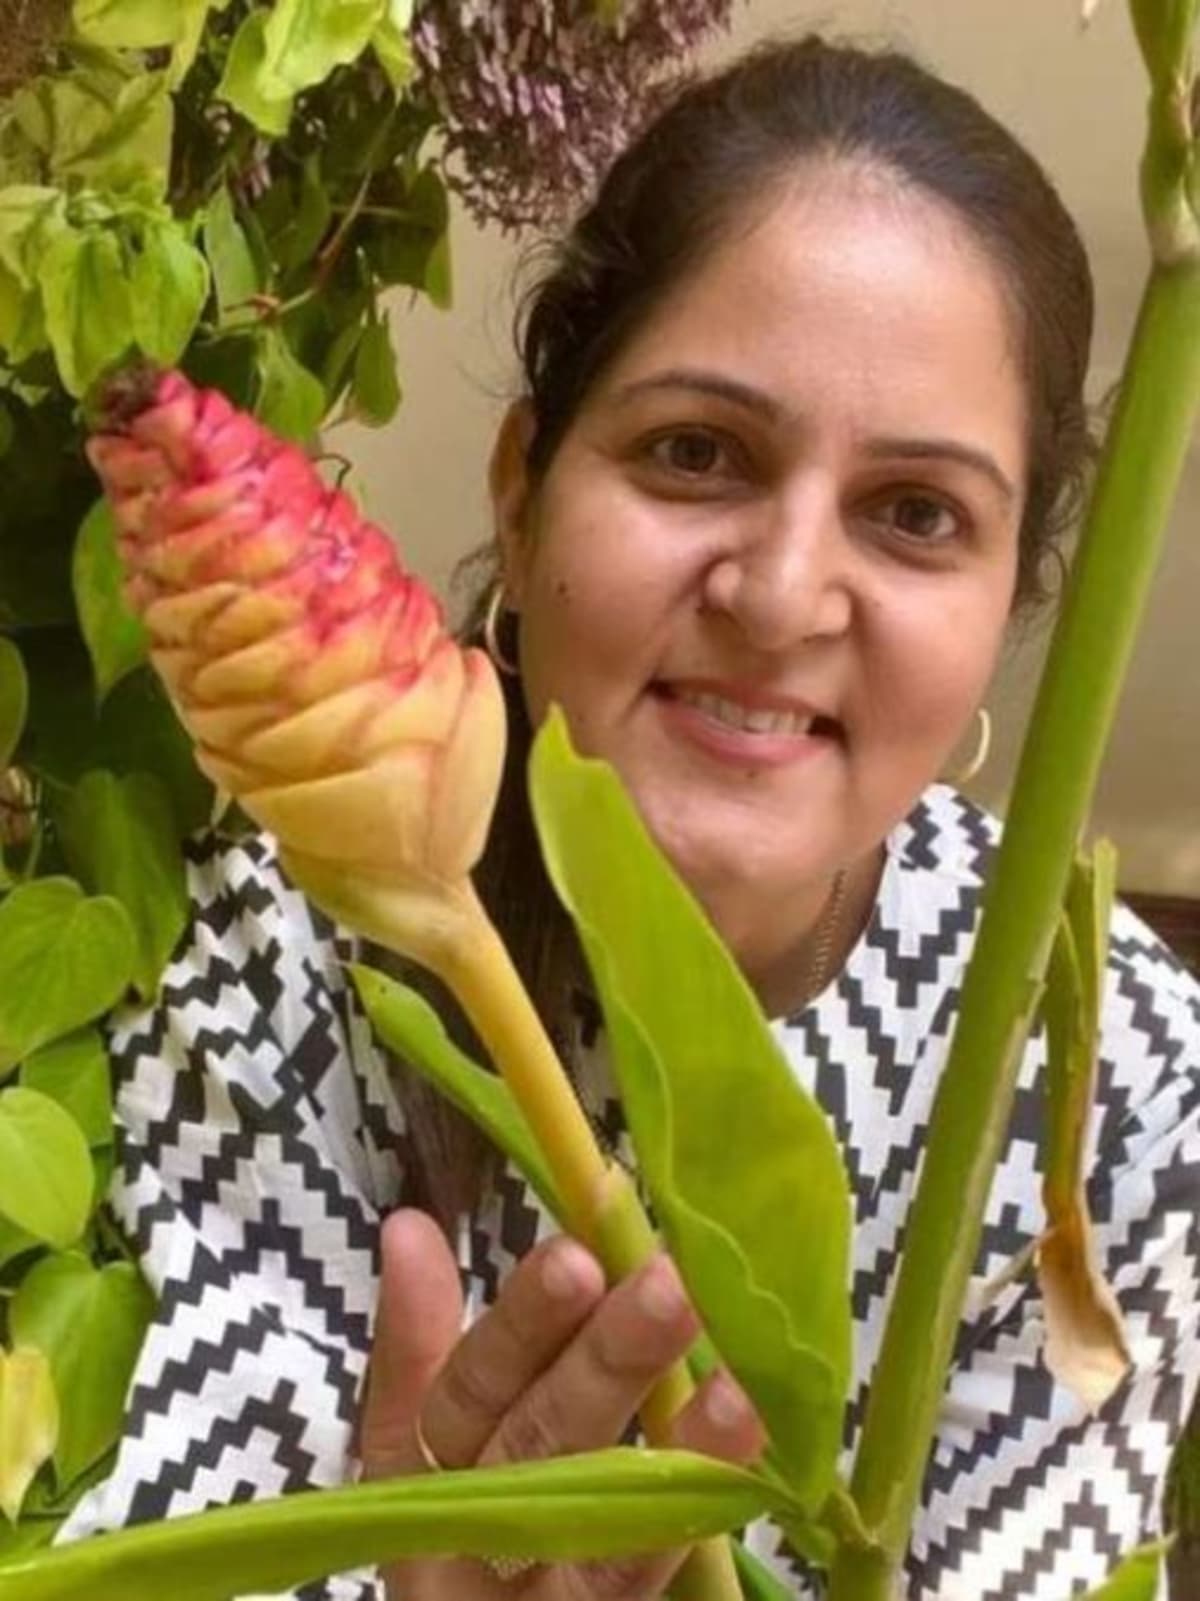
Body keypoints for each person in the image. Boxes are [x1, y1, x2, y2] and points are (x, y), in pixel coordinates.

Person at [60, 30, 1198, 1601]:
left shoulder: (1112, 1075)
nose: (785, 593)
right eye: (694, 453)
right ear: (522, 498)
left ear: (1010, 604)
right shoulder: (284, 962)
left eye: (917, 514)